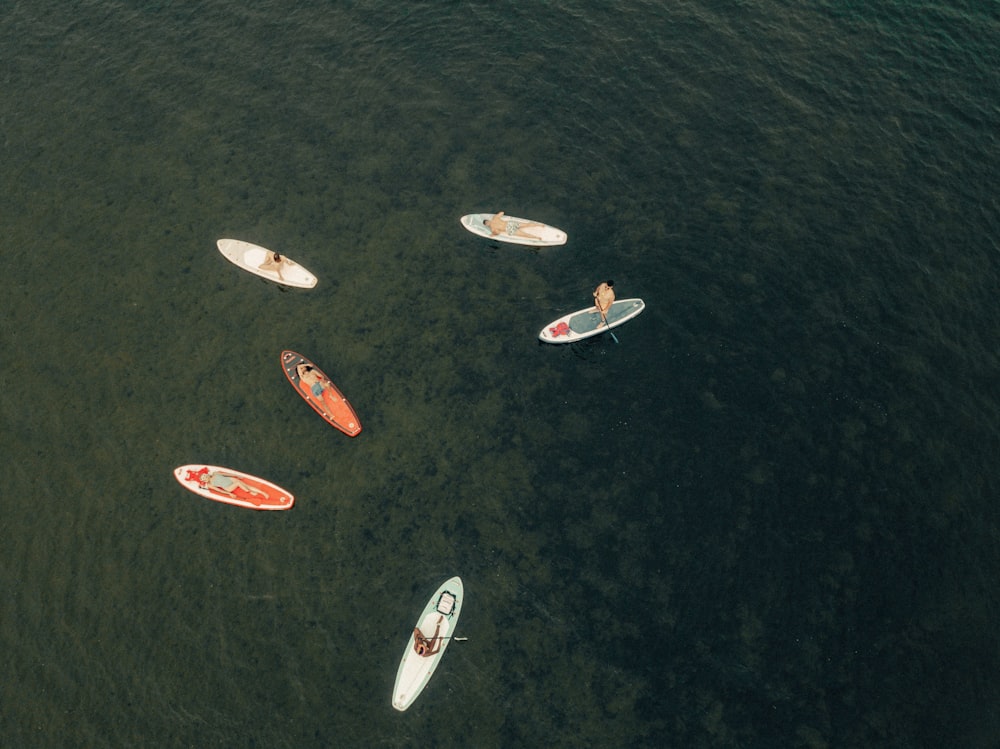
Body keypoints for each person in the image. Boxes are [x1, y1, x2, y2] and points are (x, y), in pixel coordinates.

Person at [198, 470, 269, 503]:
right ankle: (250, 492)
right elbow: (219, 490)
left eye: (204, 475)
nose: (205, 477)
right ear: (204, 481)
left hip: (230, 479)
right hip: (228, 487)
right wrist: (229, 493)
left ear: (206, 474)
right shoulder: (210, 484)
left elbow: (226, 474)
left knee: (245, 484)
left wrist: (237, 475)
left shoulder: (215, 473)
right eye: (203, 478)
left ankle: (262, 492)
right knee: (238, 482)